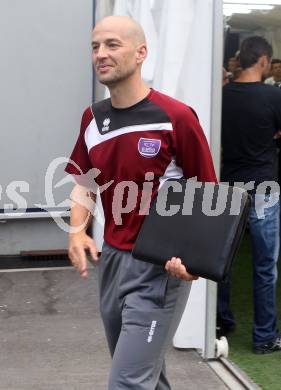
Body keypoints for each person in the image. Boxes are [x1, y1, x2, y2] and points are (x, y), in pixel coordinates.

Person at [65, 15, 216, 389]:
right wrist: (77, 232)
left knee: (128, 381)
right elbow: (85, 180)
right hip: (113, 261)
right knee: (145, 375)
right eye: (95, 46)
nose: (101, 54)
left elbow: (207, 195)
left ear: (141, 53)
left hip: (159, 269)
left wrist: (195, 261)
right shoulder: (93, 118)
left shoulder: (175, 117)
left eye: (112, 45)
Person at [219, 36, 281, 354]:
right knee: (264, 265)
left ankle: (220, 322)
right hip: (264, 189)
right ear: (262, 61)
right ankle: (265, 336)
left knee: (223, 262)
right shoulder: (273, 96)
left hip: (228, 185)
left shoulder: (222, 96)